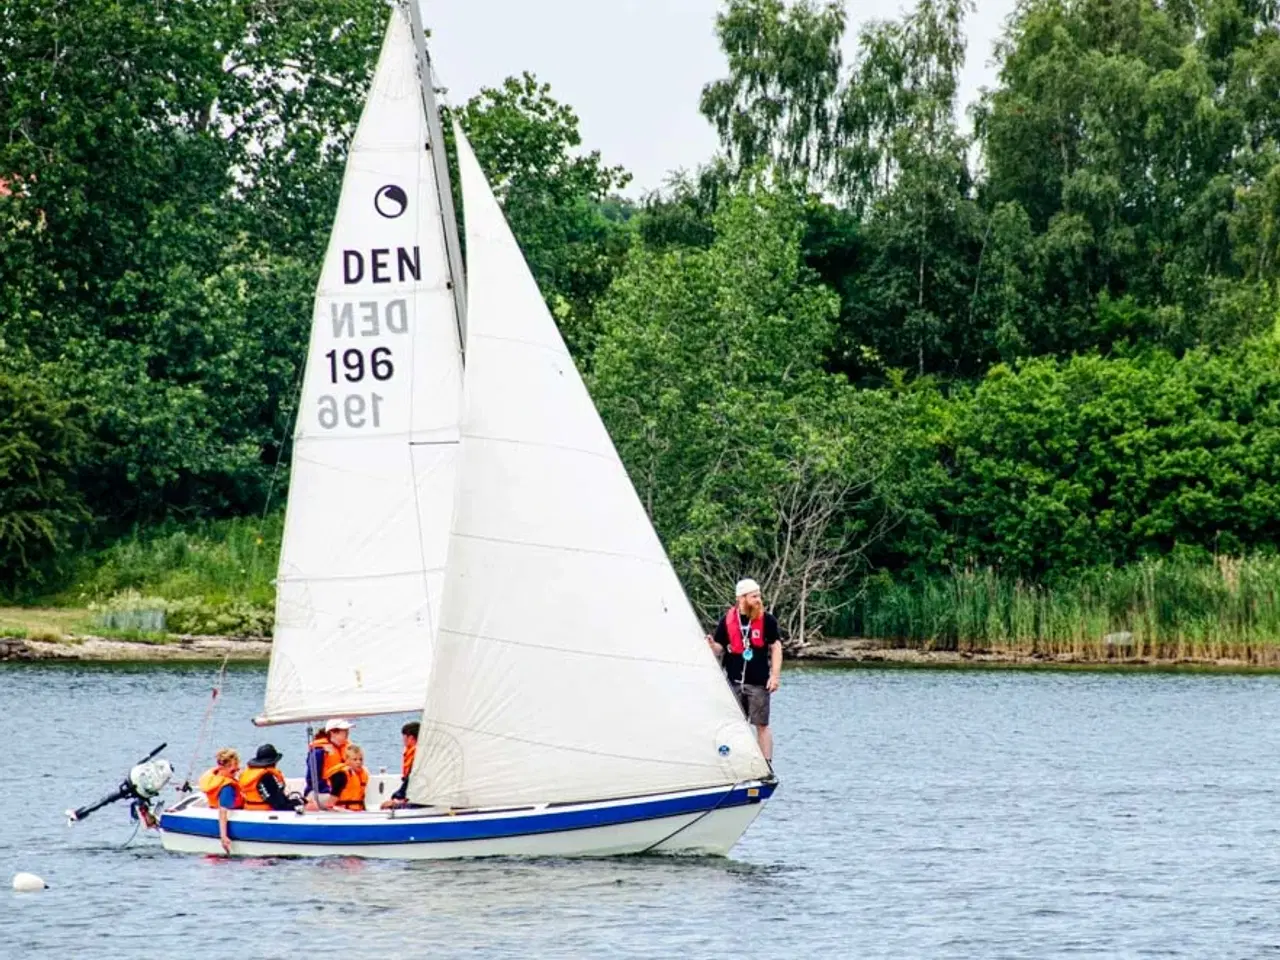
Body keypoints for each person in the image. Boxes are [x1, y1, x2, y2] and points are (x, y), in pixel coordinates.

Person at [706, 578, 782, 763]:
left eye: (759, 595)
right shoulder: (728, 620)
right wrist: (711, 645)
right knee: (732, 725)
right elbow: (720, 648)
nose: (758, 599)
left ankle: (766, 764)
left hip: (758, 682)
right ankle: (733, 761)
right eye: (754, 596)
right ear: (741, 598)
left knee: (761, 725)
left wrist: (775, 676)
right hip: (734, 681)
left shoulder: (767, 620)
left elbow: (776, 647)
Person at [197, 748, 243, 854]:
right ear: (222, 767)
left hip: (213, 806)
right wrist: (223, 836)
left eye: (237, 770)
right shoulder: (227, 788)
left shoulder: (215, 776)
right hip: (226, 812)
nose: (235, 773)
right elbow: (223, 812)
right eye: (232, 771)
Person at [239, 744, 303, 812]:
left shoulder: (249, 774)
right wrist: (299, 802)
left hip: (249, 810)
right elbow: (279, 805)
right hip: (266, 813)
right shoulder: (267, 777)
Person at [304, 719, 351, 810]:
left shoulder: (346, 750)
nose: (347, 733)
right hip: (321, 793)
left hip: (339, 793)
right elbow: (312, 779)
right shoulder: (319, 752)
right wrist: (329, 790)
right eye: (344, 731)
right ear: (333, 732)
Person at [382, 721, 419, 809]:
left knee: (387, 806)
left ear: (411, 738)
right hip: (414, 796)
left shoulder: (418, 758)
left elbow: (411, 781)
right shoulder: (421, 754)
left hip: (417, 800)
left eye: (404, 738)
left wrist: (397, 797)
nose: (403, 741)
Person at [334, 744, 369, 811]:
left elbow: (361, 797)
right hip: (343, 811)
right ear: (347, 760)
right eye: (355, 760)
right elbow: (331, 802)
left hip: (358, 810)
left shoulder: (363, 775)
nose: (359, 762)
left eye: (361, 759)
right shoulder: (341, 775)